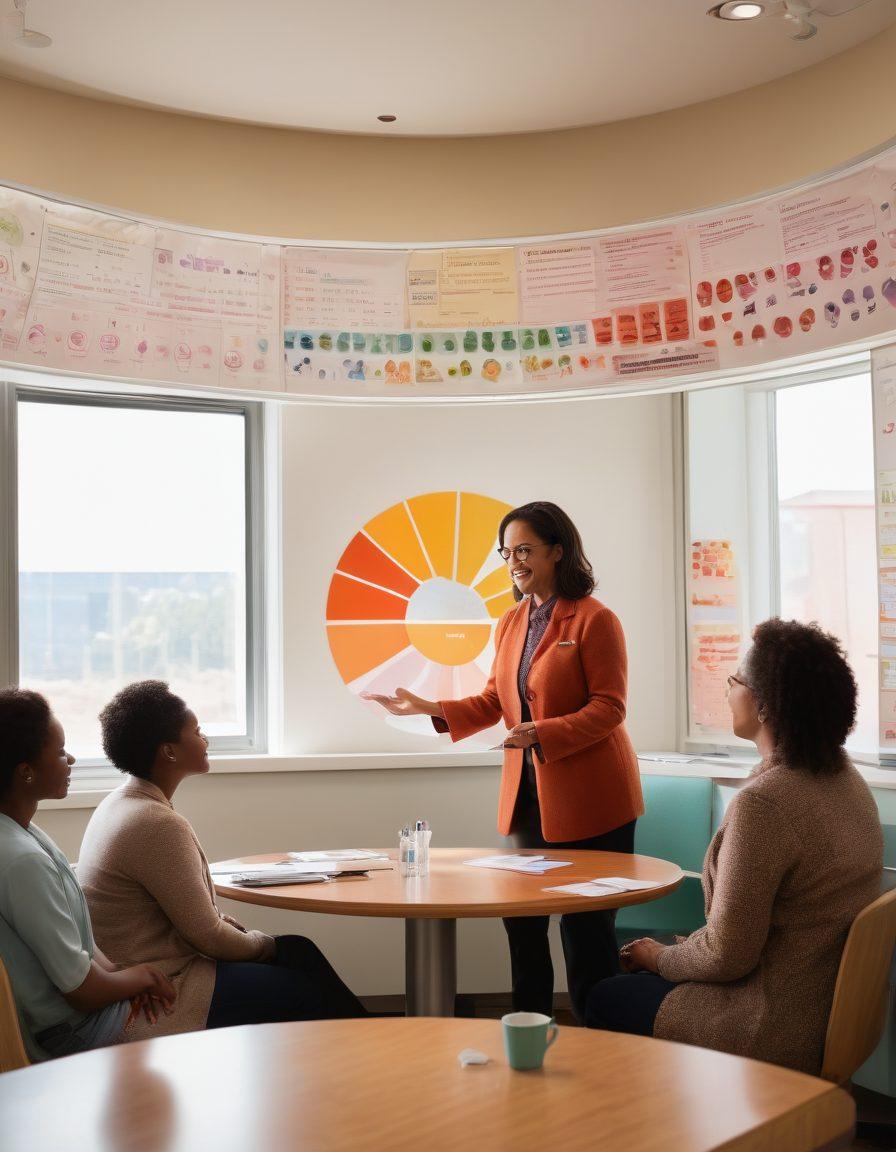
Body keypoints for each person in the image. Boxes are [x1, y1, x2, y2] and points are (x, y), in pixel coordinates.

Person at [366, 501, 643, 1021]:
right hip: (530, 799)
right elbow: (496, 699)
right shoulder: (511, 621)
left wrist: (540, 732)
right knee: (521, 919)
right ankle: (530, 1027)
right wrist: (430, 708)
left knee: (585, 930)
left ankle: (604, 1037)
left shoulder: (595, 619)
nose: (513, 561)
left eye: (524, 549)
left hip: (594, 800)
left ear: (558, 551)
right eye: (506, 552)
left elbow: (610, 708)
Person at [585, 618, 883, 1075]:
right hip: (825, 1011)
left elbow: (728, 955)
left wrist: (658, 956)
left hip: (769, 1021)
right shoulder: (847, 782)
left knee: (605, 996)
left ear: (765, 706)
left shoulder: (766, 806)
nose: (727, 689)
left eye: (734, 680)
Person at [77, 680, 365, 1041]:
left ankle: (377, 1048)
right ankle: (375, 1054)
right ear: (169, 751)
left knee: (299, 950)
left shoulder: (121, 803)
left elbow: (187, 915)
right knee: (302, 985)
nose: (206, 738)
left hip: (151, 968)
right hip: (165, 988)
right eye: (196, 731)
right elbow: (208, 937)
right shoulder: (155, 823)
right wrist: (262, 944)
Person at [0, 688, 175, 1061]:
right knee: (240, 1012)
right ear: (25, 772)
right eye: (61, 752)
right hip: (69, 1032)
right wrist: (144, 978)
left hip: (81, 1011)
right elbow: (81, 991)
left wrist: (124, 979)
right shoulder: (21, 861)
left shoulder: (24, 832)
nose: (72, 760)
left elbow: (78, 944)